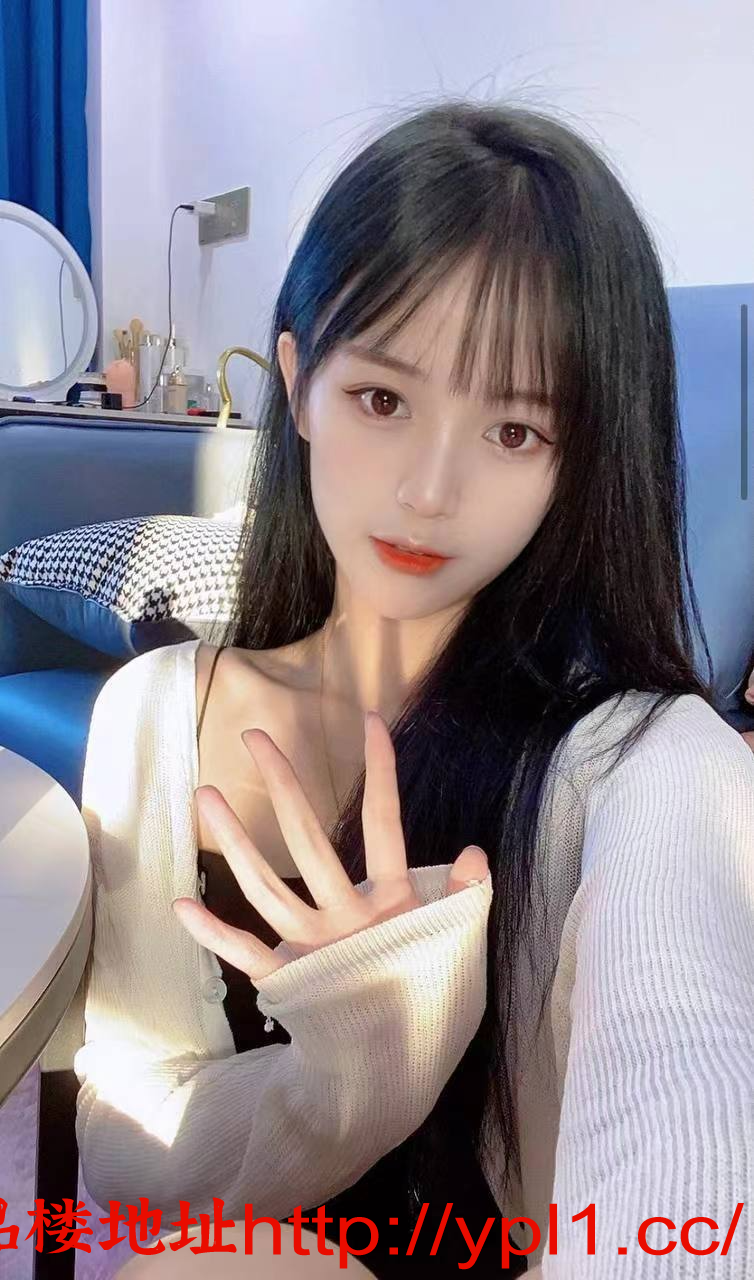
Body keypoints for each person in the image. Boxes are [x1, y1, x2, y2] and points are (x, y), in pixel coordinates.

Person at [74, 99, 754, 1277]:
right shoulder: (153, 715)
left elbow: (682, 1089)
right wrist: (349, 1072)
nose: (431, 490)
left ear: (581, 460)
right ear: (298, 383)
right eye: (382, 399)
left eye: (515, 430)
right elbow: (128, 1152)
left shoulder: (649, 759)